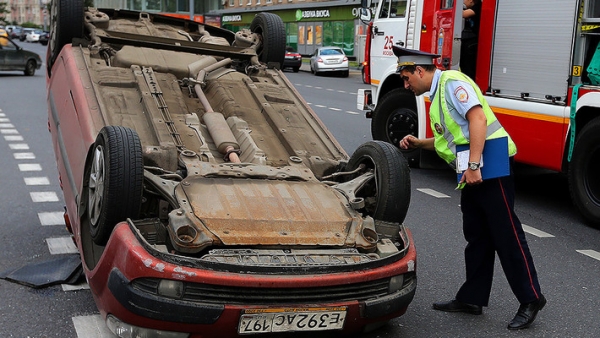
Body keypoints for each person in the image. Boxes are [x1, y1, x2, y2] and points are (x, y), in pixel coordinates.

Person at [394, 46, 545, 330]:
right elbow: (455, 135)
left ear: (420, 70)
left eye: (406, 78)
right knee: (477, 235)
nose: (405, 84)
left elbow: (478, 119)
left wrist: (474, 166)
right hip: (473, 168)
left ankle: (531, 298)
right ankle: (472, 298)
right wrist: (420, 143)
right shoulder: (437, 94)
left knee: (506, 234)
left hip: (491, 165)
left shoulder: (452, 82)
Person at [460, 0, 482, 79]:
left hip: (473, 41)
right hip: (469, 40)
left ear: (471, 1)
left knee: (469, 67)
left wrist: (456, 8)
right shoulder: (472, 7)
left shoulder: (478, 6)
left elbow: (463, 14)